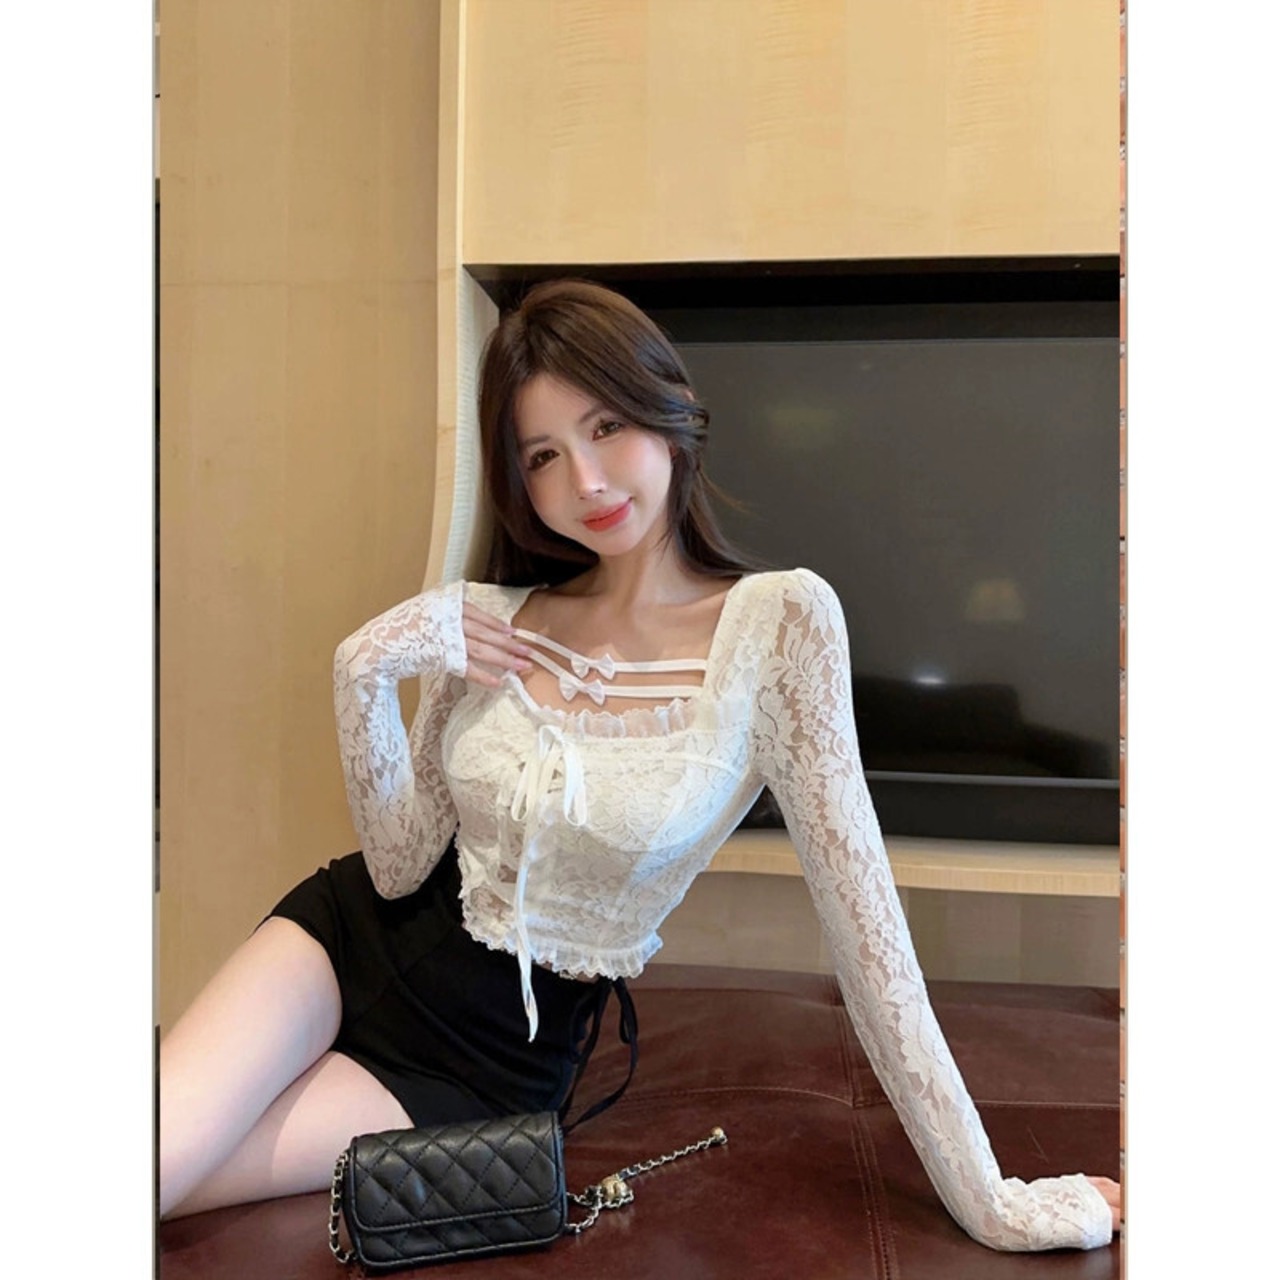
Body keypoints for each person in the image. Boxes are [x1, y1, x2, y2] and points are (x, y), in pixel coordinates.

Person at [159, 279, 1121, 1249]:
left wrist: (991, 1197)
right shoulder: (490, 617)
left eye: (605, 426)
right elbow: (399, 864)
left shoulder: (778, 626)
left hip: (481, 1069)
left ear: (668, 410)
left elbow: (871, 944)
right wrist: (364, 670)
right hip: (341, 940)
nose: (584, 480)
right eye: (543, 454)